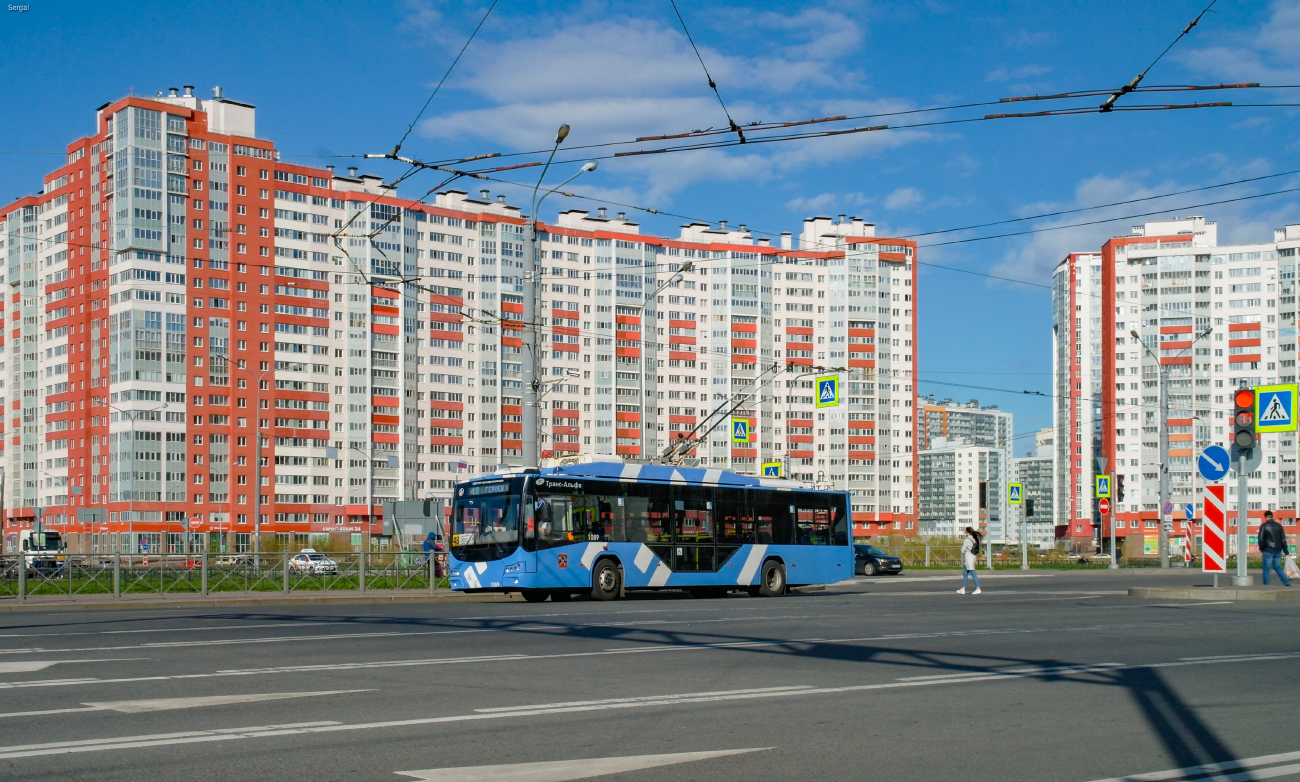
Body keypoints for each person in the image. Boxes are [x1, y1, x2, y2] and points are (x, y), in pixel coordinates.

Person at [1258, 510, 1291, 587]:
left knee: (1266, 568)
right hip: (1278, 550)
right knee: (1277, 567)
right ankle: (1286, 582)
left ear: (1265, 517)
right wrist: (1286, 550)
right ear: (1272, 516)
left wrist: (1261, 548)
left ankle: (1266, 585)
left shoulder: (1264, 526)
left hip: (1267, 550)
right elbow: (1283, 539)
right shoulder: (1279, 526)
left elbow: (1261, 539)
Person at [957, 526, 982, 595]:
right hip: (973, 556)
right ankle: (963, 588)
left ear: (968, 532)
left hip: (969, 557)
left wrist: (965, 550)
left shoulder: (967, 540)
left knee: (973, 572)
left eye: (965, 532)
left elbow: (962, 550)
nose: (965, 534)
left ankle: (978, 588)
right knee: (965, 573)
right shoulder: (975, 539)